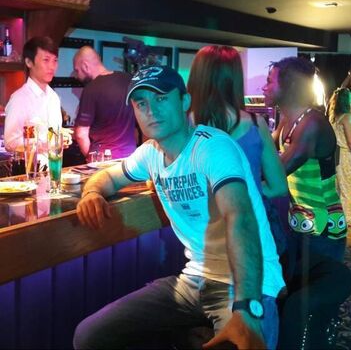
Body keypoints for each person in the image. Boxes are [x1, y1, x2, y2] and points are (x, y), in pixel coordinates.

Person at [73, 65, 285, 350]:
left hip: (247, 283)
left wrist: (246, 307)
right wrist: (91, 193)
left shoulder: (212, 147)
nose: (151, 110)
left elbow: (239, 216)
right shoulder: (150, 153)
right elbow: (108, 177)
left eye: (161, 98)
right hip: (195, 279)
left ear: (184, 101)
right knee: (89, 335)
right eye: (141, 103)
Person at [187, 45, 289, 255]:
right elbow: (278, 186)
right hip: (251, 230)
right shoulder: (255, 124)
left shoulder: (181, 127)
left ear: (197, 77)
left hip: (203, 232)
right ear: (234, 79)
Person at [262, 57, 347, 269]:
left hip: (323, 229)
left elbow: (277, 171)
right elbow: (264, 158)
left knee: (317, 287)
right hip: (300, 223)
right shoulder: (286, 121)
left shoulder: (312, 123)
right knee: (296, 284)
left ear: (289, 85)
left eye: (270, 81)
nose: (264, 88)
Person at [4, 36, 71, 165]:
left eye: (55, 60)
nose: (52, 66)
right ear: (29, 62)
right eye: (46, 60)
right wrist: (46, 143)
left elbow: (52, 132)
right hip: (31, 172)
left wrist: (62, 137)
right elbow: (10, 142)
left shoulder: (53, 97)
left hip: (54, 168)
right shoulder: (20, 99)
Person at [73, 46, 137, 160]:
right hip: (131, 157)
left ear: (85, 66)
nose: (77, 76)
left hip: (104, 159)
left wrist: (91, 159)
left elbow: (81, 134)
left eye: (77, 70)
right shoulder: (129, 80)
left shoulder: (91, 89)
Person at [328, 87, 351, 228]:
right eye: (350, 96)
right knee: (350, 186)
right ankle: (346, 218)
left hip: (335, 155)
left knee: (339, 186)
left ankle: (339, 216)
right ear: (345, 100)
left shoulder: (333, 116)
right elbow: (350, 142)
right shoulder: (347, 117)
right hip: (345, 155)